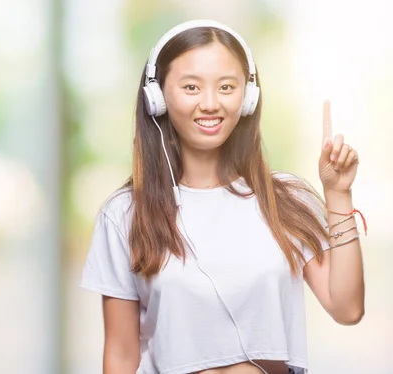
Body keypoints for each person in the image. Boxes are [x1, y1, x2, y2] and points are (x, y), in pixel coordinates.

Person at [79, 19, 366, 374]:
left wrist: (338, 194)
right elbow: (121, 355)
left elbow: (348, 308)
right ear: (157, 97)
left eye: (227, 87)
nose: (211, 103)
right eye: (191, 87)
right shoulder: (123, 214)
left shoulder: (286, 200)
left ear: (247, 98)